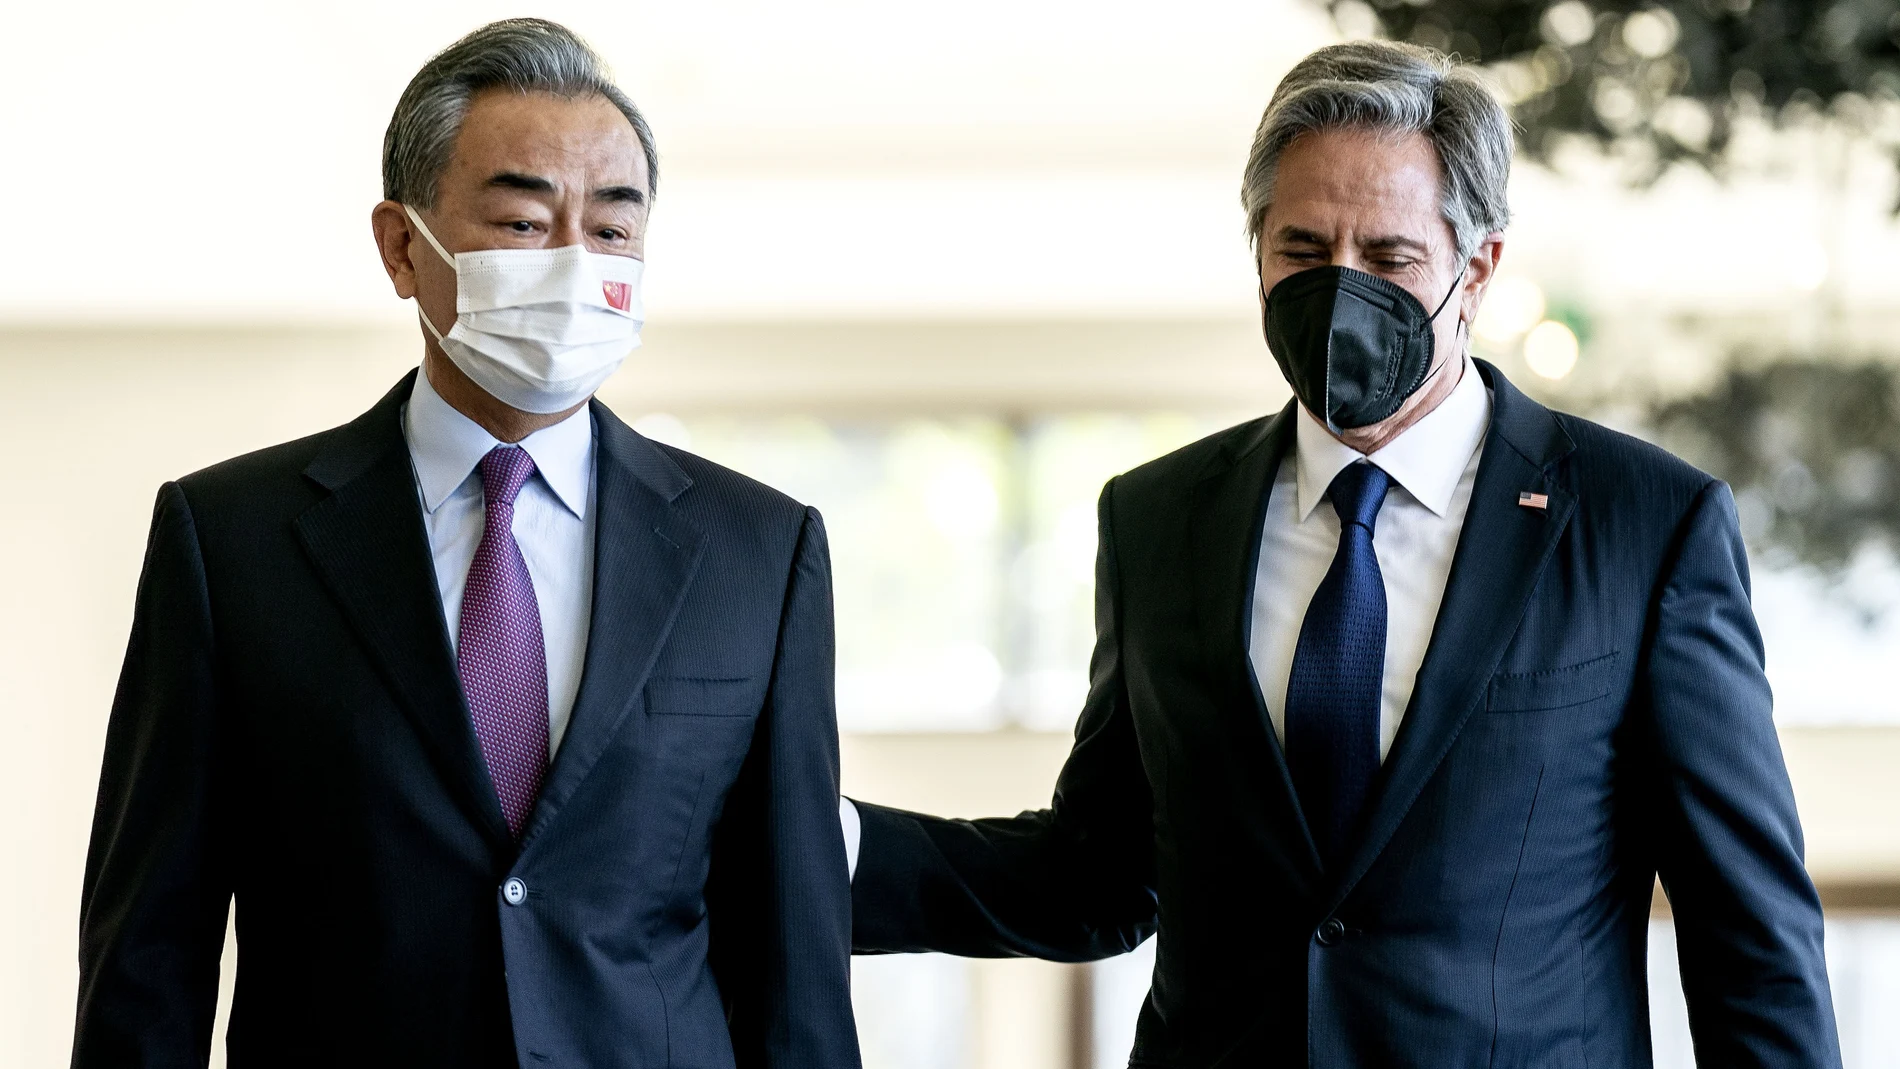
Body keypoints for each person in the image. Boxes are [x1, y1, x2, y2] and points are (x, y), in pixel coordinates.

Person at [846, 41, 1841, 1067]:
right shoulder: (1157, 520)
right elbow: (1093, 875)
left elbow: (1748, 936)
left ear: (1477, 269)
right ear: (1258, 253)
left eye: (1390, 258)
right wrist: (814, 844)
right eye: (1304, 250)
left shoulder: (1643, 524)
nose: (1341, 290)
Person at [73, 19, 859, 1069]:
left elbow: (796, 959)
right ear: (403, 247)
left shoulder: (759, 550)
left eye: (612, 227)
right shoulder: (230, 541)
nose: (576, 262)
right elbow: (148, 956)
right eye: (524, 221)